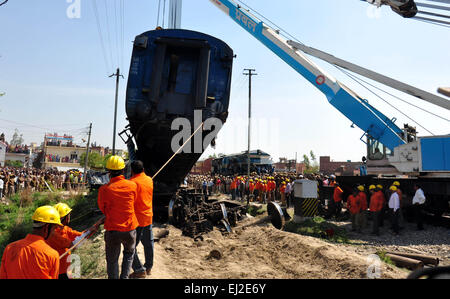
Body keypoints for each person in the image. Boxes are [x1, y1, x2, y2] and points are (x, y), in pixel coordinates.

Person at [98, 155, 139, 279]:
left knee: (112, 260)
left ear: (109, 172)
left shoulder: (104, 189)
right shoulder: (132, 185)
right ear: (123, 170)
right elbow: (134, 203)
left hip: (112, 229)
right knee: (128, 255)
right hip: (129, 229)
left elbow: (102, 208)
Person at [0, 206, 62, 279]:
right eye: (54, 228)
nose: (53, 232)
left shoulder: (9, 248)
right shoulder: (52, 255)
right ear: (47, 227)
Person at [129, 160, 154, 279]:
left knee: (130, 246)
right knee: (149, 243)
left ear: (132, 171)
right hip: (148, 217)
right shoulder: (149, 180)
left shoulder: (132, 183)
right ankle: (148, 267)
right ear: (143, 169)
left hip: (137, 219)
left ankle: (139, 270)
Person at [46, 202, 84, 279]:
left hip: (63, 268)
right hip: (59, 270)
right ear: (65, 217)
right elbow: (71, 244)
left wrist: (93, 228)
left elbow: (79, 235)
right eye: (68, 215)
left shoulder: (64, 229)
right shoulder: (54, 234)